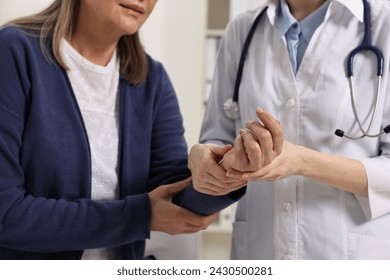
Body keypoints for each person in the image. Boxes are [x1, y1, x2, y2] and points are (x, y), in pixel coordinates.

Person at [0, 0, 244, 260]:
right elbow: (6, 213)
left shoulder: (153, 81)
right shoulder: (14, 51)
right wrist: (140, 215)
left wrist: (224, 171)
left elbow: (176, 199)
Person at [189, 0, 390, 259]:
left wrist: (300, 162)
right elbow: (216, 136)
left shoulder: (383, 25)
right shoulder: (242, 30)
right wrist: (206, 157)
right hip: (260, 253)